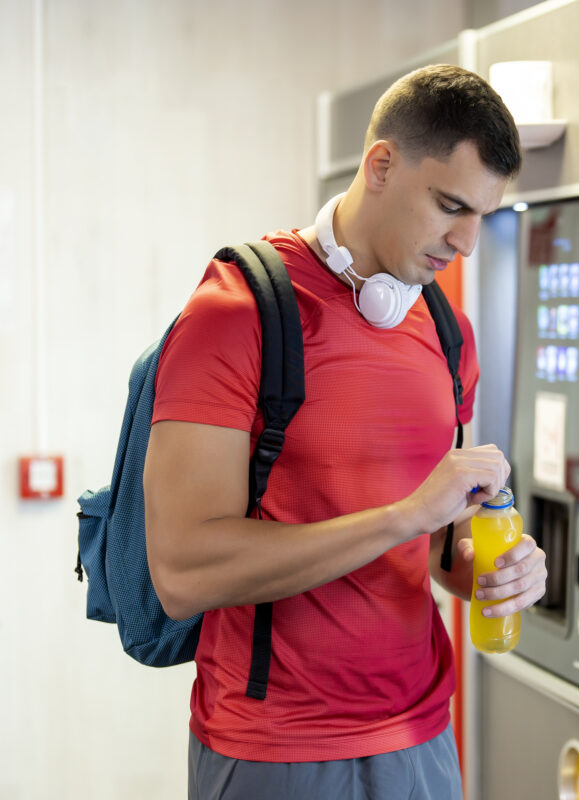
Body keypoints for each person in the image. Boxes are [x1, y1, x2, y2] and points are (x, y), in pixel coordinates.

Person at [143, 64, 547, 800]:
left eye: (481, 215)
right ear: (382, 166)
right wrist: (405, 515)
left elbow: (432, 550)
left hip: (423, 738)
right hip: (273, 751)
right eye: (450, 205)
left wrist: (486, 565)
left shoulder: (449, 334)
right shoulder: (236, 313)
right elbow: (182, 572)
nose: (465, 242)